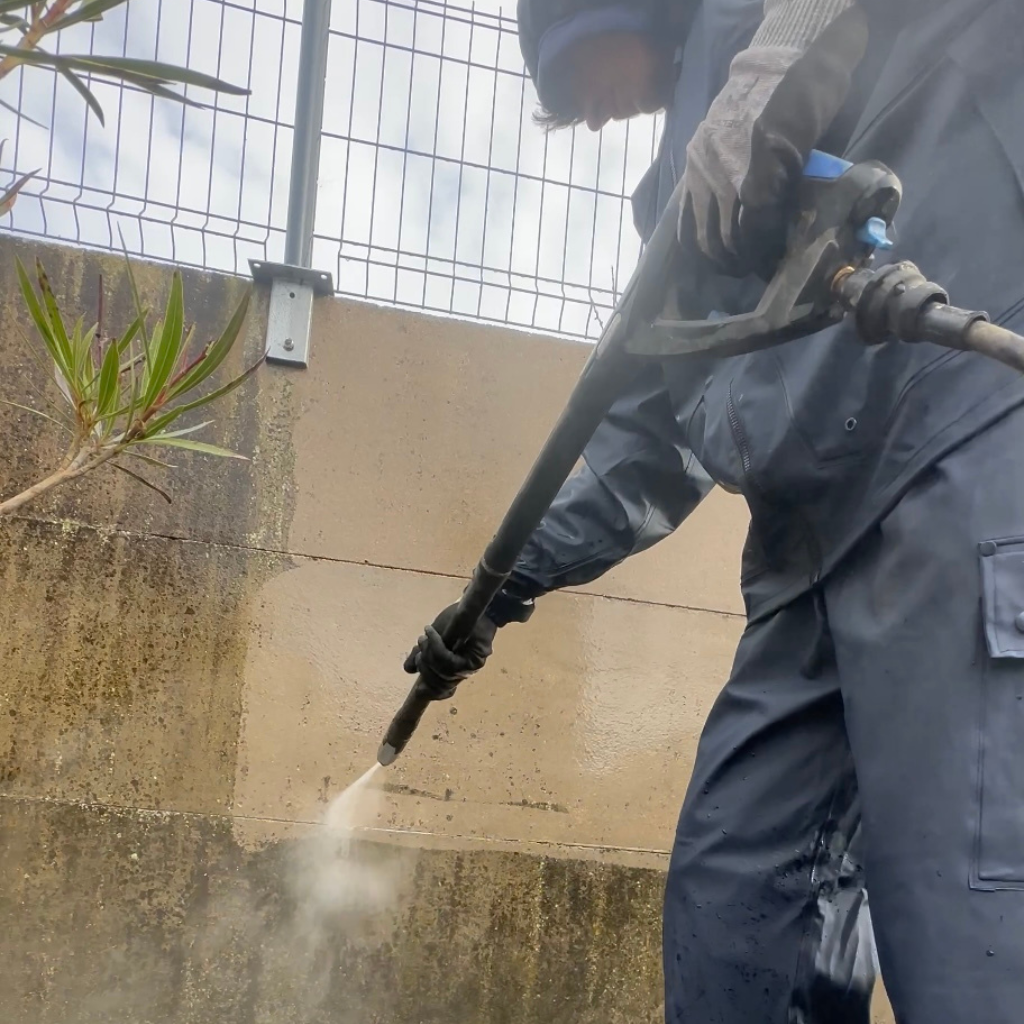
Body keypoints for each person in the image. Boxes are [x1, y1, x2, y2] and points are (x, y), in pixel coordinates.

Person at [404, 1, 1024, 1021]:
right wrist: (503, 585)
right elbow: (650, 434)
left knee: (976, 925)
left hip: (958, 440)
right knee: (737, 914)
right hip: (800, 560)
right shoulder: (684, 191)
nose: (588, 115)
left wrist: (787, 43)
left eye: (575, 77)